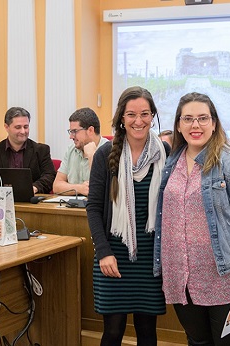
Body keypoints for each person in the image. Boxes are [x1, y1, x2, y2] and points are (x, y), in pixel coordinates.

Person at [153, 92, 230, 345]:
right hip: (182, 279)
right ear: (179, 125)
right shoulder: (171, 162)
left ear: (214, 123)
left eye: (203, 118)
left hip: (224, 278)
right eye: (189, 119)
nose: (196, 125)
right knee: (197, 341)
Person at [86, 86, 170, 346]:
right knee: (112, 332)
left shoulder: (166, 152)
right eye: (131, 114)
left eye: (145, 113)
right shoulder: (105, 153)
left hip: (150, 257)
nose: (138, 120)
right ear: (121, 118)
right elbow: (93, 208)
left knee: (147, 332)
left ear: (153, 116)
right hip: (114, 254)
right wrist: (103, 251)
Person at [0, 107, 56, 194]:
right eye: (18, 127)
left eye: (26, 127)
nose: (23, 131)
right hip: (0, 200)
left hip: (32, 202)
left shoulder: (41, 150)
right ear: (6, 127)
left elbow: (50, 176)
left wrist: (34, 188)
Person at [52, 107, 109, 196]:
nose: (71, 136)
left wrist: (92, 157)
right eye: (70, 132)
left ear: (90, 130)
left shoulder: (109, 150)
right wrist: (80, 188)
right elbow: (56, 186)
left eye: (75, 131)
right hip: (72, 207)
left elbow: (104, 189)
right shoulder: (71, 150)